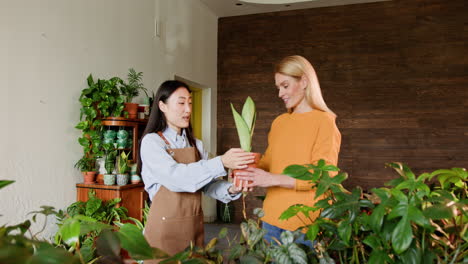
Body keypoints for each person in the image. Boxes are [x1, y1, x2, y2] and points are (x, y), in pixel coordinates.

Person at [138, 80, 255, 261]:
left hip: (193, 229)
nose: (188, 109)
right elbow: (178, 179)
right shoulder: (152, 142)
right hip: (163, 232)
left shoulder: (195, 144)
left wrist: (232, 188)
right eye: (181, 102)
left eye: (190, 103)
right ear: (162, 105)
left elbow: (207, 185)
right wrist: (222, 161)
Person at [235, 55, 341, 245]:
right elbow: (270, 161)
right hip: (270, 219)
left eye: (285, 86)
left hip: (305, 225)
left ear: (304, 82)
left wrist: (270, 179)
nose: (280, 93)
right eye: (278, 88)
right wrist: (244, 165)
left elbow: (322, 177)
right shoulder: (280, 122)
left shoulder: (324, 122)